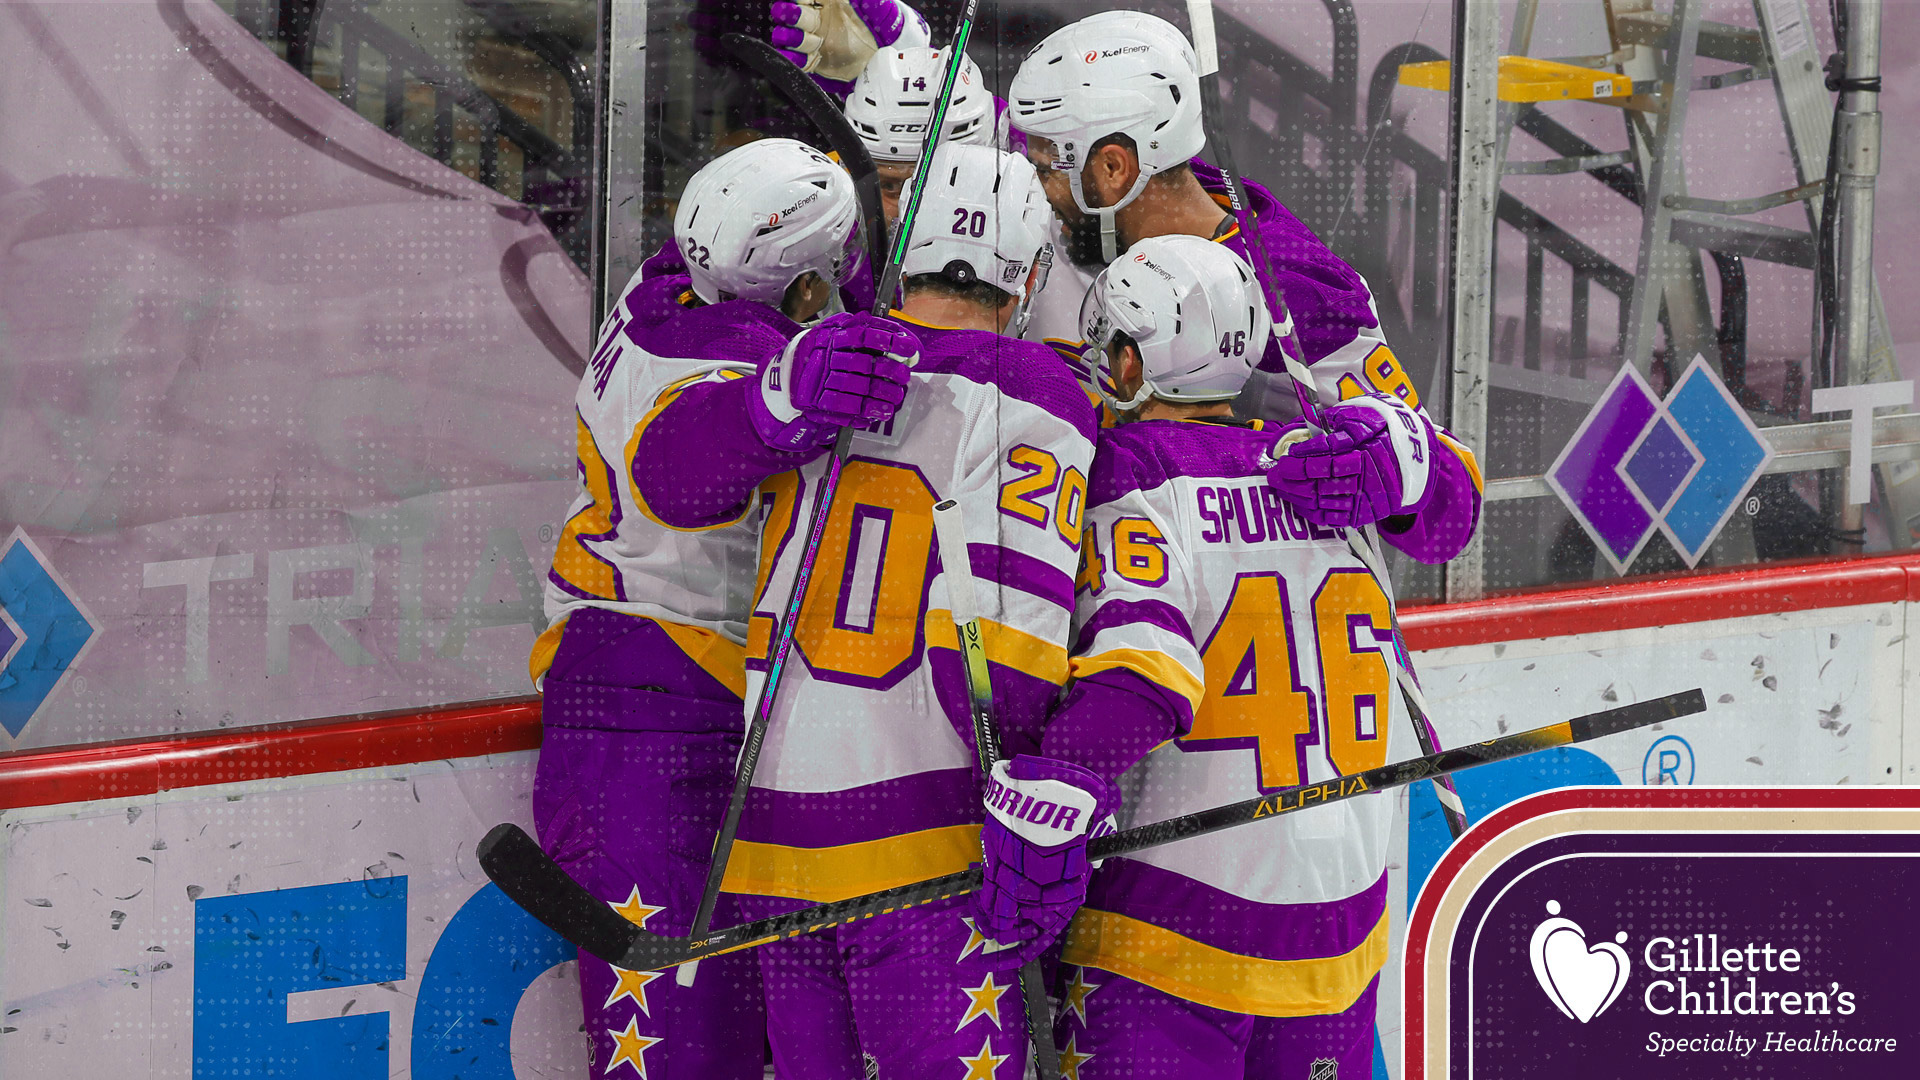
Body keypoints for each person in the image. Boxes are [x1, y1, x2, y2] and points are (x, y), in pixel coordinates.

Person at [630, 142, 1092, 1080]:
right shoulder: (1035, 387)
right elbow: (1006, 647)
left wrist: (769, 400)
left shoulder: (823, 360)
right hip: (924, 855)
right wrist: (1044, 800)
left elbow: (663, 479)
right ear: (1033, 274)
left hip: (772, 849)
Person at [971, 234, 1452, 1076]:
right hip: (1340, 933)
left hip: (1176, 933)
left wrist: (1054, 787)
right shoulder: (1331, 474)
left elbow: (1142, 673)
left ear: (1129, 361)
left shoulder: (1131, 471)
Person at [531, 137, 873, 1080]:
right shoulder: (736, 370)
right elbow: (679, 467)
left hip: (648, 698)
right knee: (683, 1055)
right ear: (804, 288)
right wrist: (776, 409)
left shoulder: (667, 282)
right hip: (651, 731)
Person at [1008, 10, 1481, 557]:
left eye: (1046, 169)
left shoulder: (1291, 288)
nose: (1034, 188)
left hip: (1204, 589)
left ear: (1114, 168)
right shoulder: (1047, 211)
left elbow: (1452, 514)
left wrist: (1396, 463)